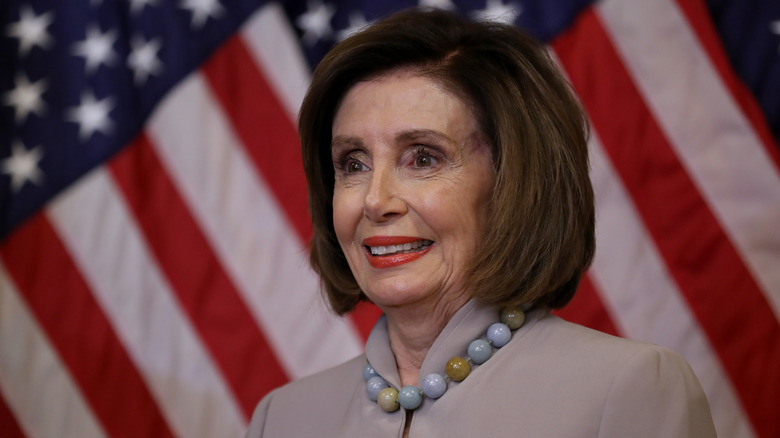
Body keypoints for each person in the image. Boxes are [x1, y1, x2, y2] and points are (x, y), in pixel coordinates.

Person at [246, 7, 716, 438]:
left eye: (423, 158)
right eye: (353, 163)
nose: (375, 201)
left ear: (513, 180)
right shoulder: (282, 418)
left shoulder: (629, 389)